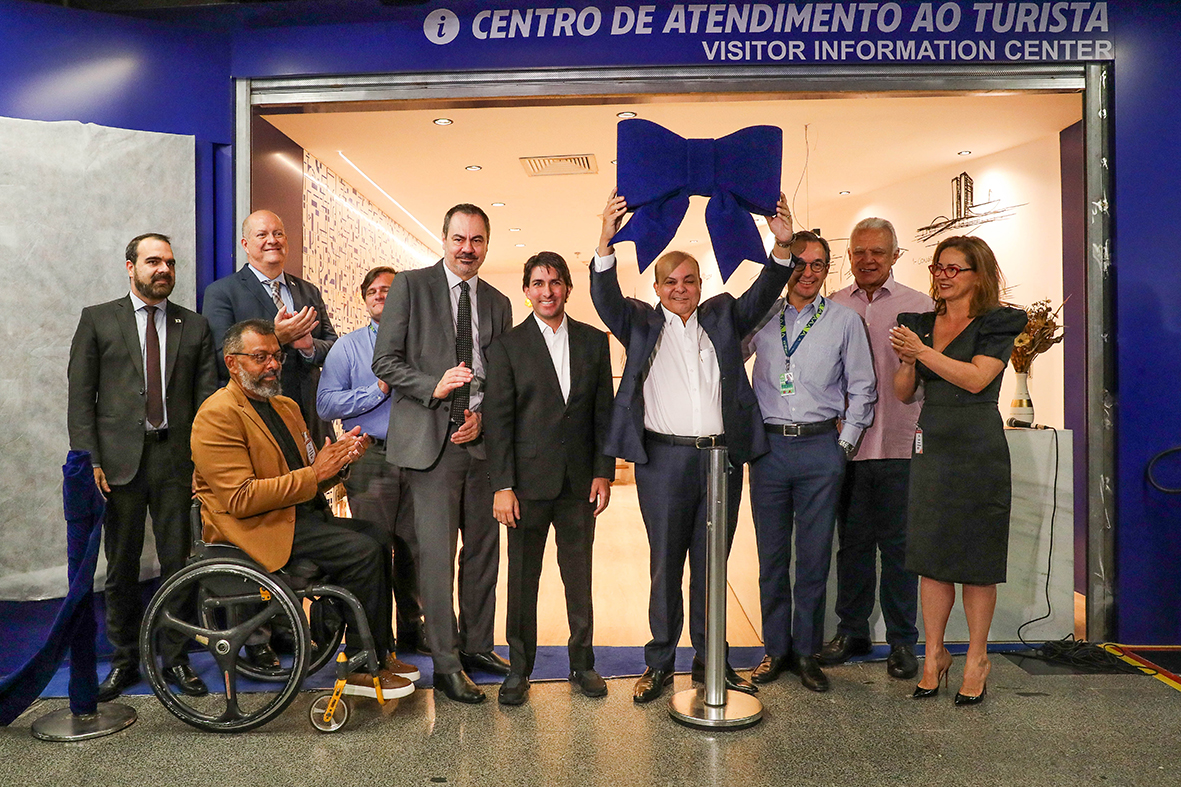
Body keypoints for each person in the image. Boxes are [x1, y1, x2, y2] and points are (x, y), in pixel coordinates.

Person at [592, 189, 800, 704]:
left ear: (700, 284)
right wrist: (605, 237)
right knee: (665, 563)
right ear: (658, 288)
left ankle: (714, 662)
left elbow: (763, 291)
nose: (680, 289)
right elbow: (604, 299)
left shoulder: (724, 317)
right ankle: (659, 662)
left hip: (720, 460)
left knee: (713, 565)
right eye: (670, 282)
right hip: (662, 460)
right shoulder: (639, 322)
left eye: (689, 280)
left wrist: (782, 246)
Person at [191, 319, 417, 700]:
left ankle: (378, 653)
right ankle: (364, 666)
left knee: (379, 538)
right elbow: (240, 499)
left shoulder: (286, 407)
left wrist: (341, 461)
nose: (273, 365)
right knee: (361, 551)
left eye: (276, 356)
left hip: (295, 516)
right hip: (252, 530)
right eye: (260, 357)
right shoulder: (217, 414)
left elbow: (313, 472)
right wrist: (316, 474)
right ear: (232, 363)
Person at [372, 203, 513, 704]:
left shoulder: (497, 302)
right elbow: (384, 361)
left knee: (482, 553)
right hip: (429, 447)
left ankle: (477, 646)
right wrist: (435, 386)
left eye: (477, 240)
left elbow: (502, 377)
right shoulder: (411, 286)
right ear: (444, 238)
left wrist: (483, 416)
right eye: (459, 238)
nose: (467, 248)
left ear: (487, 243)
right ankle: (447, 664)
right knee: (436, 557)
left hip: (479, 446)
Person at [67, 233, 218, 701]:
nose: (164, 270)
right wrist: (87, 458)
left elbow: (209, 402)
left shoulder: (194, 326)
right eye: (154, 262)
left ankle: (175, 659)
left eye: (170, 263)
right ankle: (125, 660)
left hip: (177, 461)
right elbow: (80, 396)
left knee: (179, 564)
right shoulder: (97, 319)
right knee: (121, 567)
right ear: (129, 267)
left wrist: (206, 463)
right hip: (117, 465)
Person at [890, 235, 1027, 705]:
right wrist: (909, 360)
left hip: (977, 446)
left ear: (978, 275)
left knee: (975, 561)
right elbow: (905, 392)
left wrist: (923, 353)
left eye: (953, 269)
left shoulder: (998, 322)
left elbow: (975, 378)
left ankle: (977, 658)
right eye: (938, 268)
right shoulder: (919, 324)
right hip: (932, 444)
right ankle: (933, 655)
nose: (942, 276)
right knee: (931, 557)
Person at [744, 231, 876, 693]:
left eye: (817, 264)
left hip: (822, 449)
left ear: (827, 269)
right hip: (769, 450)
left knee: (815, 557)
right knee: (772, 557)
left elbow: (863, 387)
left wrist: (845, 445)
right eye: (797, 263)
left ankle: (806, 652)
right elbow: (724, 357)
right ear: (785, 267)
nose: (806, 272)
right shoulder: (762, 315)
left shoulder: (844, 321)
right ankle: (775, 649)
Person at [483, 252, 615, 706]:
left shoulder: (595, 343)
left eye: (555, 282)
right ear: (526, 290)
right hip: (524, 487)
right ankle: (520, 670)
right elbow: (499, 422)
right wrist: (502, 484)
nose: (547, 291)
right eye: (538, 283)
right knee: (522, 580)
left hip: (579, 484)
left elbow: (604, 416)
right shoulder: (506, 347)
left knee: (579, 578)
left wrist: (603, 472)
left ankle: (584, 663)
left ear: (567, 289)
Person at [818, 218, 933, 681]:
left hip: (902, 444)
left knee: (902, 549)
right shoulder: (830, 307)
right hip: (847, 446)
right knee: (854, 547)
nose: (868, 260)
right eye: (860, 251)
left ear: (894, 256)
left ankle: (903, 641)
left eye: (878, 253)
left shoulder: (921, 307)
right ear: (849, 255)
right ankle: (853, 631)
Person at [316, 266, 427, 655]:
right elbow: (325, 401)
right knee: (372, 549)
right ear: (364, 299)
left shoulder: (423, 345)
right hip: (370, 457)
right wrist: (375, 391)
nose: (381, 295)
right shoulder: (346, 348)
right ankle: (375, 639)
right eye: (373, 291)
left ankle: (413, 628)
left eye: (389, 290)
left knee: (414, 548)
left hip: (419, 455)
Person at [202, 210, 337, 446]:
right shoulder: (223, 292)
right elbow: (221, 355)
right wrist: (278, 337)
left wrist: (309, 348)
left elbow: (334, 346)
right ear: (245, 244)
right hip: (256, 415)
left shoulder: (308, 291)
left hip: (311, 416)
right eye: (262, 235)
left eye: (278, 234)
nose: (272, 240)